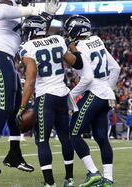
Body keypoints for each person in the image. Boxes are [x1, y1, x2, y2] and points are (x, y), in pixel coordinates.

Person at [0, 0, 60, 175]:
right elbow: (1, 11)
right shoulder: (7, 0)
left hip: (7, 59)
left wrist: (47, 16)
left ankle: (14, 154)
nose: (30, 0)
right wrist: (32, 9)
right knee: (4, 106)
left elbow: (33, 32)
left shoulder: (20, 13)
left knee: (13, 110)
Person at [18, 16, 83, 187]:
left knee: (42, 140)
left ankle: (49, 183)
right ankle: (69, 179)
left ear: (31, 31)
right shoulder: (58, 39)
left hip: (45, 97)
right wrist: (74, 48)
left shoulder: (28, 46)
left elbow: (31, 80)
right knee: (65, 138)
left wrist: (22, 106)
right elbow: (76, 63)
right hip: (62, 96)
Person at [65, 15, 121, 187]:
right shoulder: (97, 40)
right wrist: (107, 89)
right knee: (101, 137)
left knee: (73, 133)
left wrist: (71, 95)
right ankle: (108, 179)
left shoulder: (79, 46)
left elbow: (88, 78)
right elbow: (116, 68)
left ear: (75, 30)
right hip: (105, 95)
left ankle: (93, 172)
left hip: (95, 93)